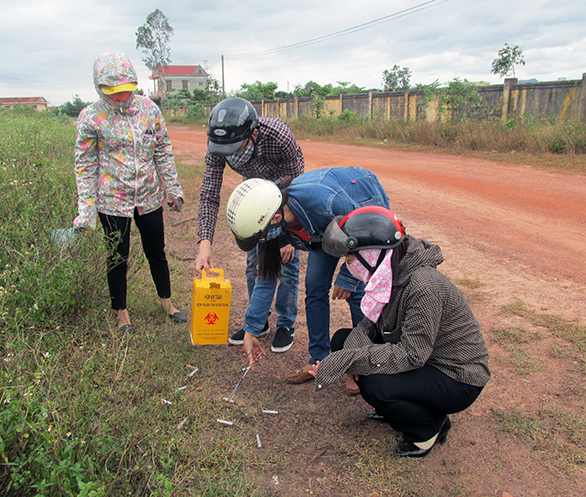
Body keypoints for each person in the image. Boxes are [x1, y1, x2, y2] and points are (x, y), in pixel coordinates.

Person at [310, 206, 490, 458]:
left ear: (370, 255)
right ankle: (405, 409)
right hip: (426, 358)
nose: (348, 265)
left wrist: (350, 360)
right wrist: (344, 357)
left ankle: (428, 428)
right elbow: (368, 326)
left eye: (350, 259)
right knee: (342, 341)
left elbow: (413, 354)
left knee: (375, 384)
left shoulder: (423, 286)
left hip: (456, 375)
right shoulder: (388, 273)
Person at [225, 166, 390, 392]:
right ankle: (319, 360)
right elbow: (267, 277)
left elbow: (367, 231)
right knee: (314, 286)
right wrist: (251, 329)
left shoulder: (328, 203)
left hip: (362, 214)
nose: (261, 241)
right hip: (324, 231)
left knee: (356, 292)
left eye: (259, 236)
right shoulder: (272, 221)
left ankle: (363, 366)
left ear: (275, 217)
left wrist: (347, 278)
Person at [73, 52, 187, 334]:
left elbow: (162, 150)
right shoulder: (91, 117)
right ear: (100, 88)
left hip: (148, 196)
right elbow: (84, 165)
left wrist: (172, 188)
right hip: (112, 201)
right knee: (117, 256)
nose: (122, 97)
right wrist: (86, 210)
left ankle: (167, 302)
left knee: (156, 250)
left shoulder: (149, 110)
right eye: (114, 93)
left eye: (126, 91)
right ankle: (121, 313)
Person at [196, 97, 304, 353]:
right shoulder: (218, 145)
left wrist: (287, 238)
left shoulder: (278, 136)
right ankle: (259, 321)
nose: (231, 154)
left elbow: (298, 185)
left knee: (287, 263)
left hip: (285, 189)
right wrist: (204, 244)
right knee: (253, 262)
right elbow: (210, 194)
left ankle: (286, 323)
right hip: (253, 194)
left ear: (253, 133)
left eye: (237, 147)